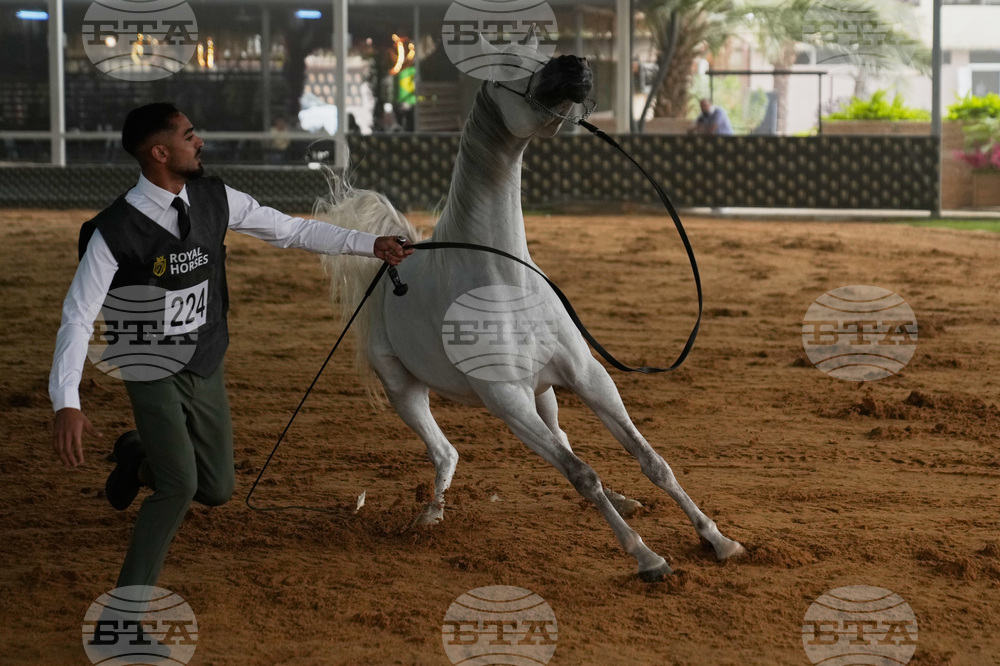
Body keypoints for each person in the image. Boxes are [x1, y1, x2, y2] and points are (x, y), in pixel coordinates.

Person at [50, 102, 413, 594]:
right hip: (148, 363)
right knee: (179, 487)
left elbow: (292, 229)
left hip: (204, 355)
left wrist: (369, 244)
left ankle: (139, 458)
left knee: (217, 488)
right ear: (160, 152)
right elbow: (78, 315)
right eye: (188, 134)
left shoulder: (214, 196)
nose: (199, 141)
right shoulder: (113, 231)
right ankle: (128, 608)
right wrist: (65, 403)